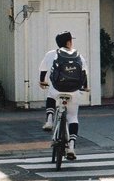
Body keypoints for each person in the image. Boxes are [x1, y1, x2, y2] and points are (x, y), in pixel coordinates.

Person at [38, 31, 88, 160]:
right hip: (74, 91)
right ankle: (71, 146)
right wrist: (85, 87)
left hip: (57, 89)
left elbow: (43, 69)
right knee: (72, 117)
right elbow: (84, 73)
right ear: (68, 42)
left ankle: (49, 120)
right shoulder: (78, 56)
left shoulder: (51, 54)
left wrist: (42, 81)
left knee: (51, 94)